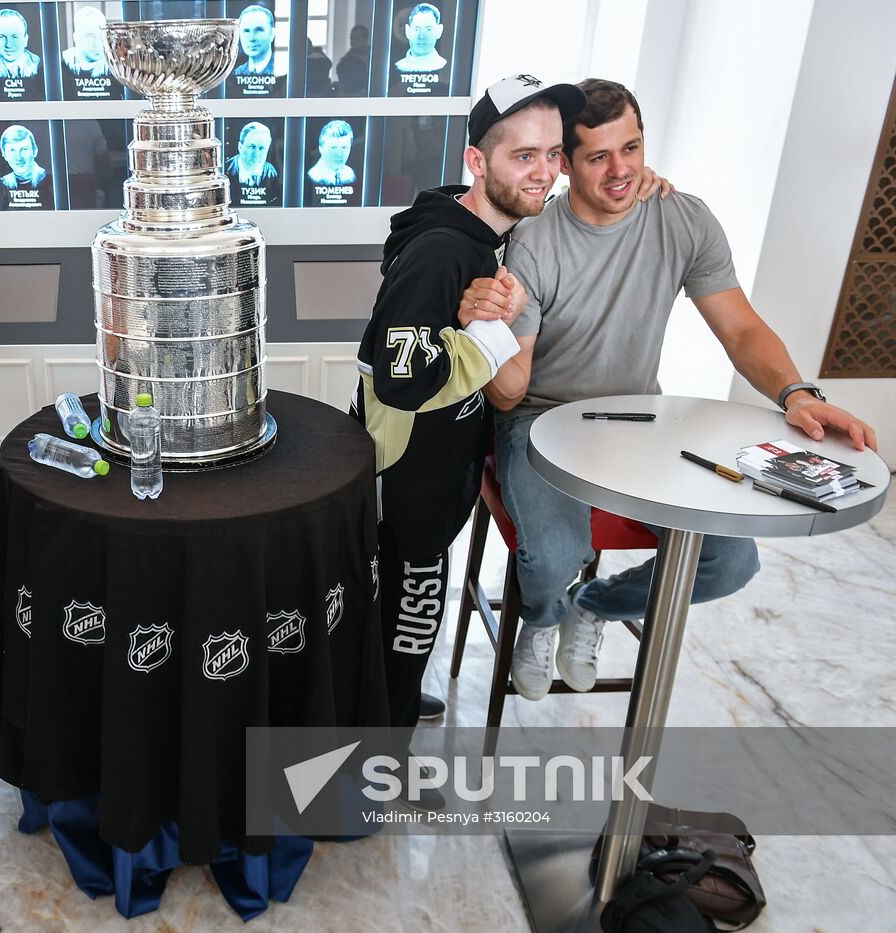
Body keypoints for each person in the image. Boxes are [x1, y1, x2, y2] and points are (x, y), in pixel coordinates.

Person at [482, 79, 878, 700]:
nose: (621, 172)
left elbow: (741, 327)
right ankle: (543, 616)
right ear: (564, 163)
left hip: (639, 419)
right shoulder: (534, 242)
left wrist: (800, 395)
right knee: (555, 557)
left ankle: (595, 605)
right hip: (537, 419)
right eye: (598, 157)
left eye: (632, 149)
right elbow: (509, 389)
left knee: (730, 562)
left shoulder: (682, 217)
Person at [351, 74, 587, 741]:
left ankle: (390, 703)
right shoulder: (443, 250)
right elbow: (400, 379)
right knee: (410, 609)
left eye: (553, 153)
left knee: (407, 614)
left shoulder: (479, 227)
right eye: (524, 156)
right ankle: (381, 749)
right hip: (407, 479)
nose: (545, 171)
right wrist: (485, 338)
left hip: (438, 470)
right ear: (478, 163)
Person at [0, 8, 41, 79]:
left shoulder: (36, 62)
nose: (8, 45)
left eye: (15, 37)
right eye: (2, 37)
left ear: (25, 39)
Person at [394, 3, 448, 73]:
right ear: (408, 31)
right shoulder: (398, 67)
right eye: (416, 29)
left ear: (439, 31)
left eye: (428, 29)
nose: (421, 36)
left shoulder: (444, 66)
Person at [226, 121, 278, 188]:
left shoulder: (270, 172)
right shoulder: (226, 169)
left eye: (261, 148)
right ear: (240, 147)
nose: (256, 154)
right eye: (252, 147)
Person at [61, 6, 108, 77]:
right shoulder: (59, 66)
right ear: (76, 37)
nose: (98, 43)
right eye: (90, 36)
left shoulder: (116, 68)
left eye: (102, 36)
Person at [0, 124, 48, 190]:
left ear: (34, 151)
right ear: (4, 155)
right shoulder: (3, 183)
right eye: (12, 150)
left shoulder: (47, 178)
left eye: (24, 149)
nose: (18, 157)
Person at [232, 5, 277, 76]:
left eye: (259, 30)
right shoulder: (236, 73)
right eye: (246, 31)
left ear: (272, 34)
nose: (251, 38)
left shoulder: (284, 71)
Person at [307, 120, 357, 184]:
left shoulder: (350, 175)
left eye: (344, 147)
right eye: (333, 148)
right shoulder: (313, 176)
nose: (339, 154)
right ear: (321, 149)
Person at [335, 24, 371, 95]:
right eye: (351, 39)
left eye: (356, 39)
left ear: (365, 39)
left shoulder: (375, 57)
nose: (352, 42)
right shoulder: (346, 59)